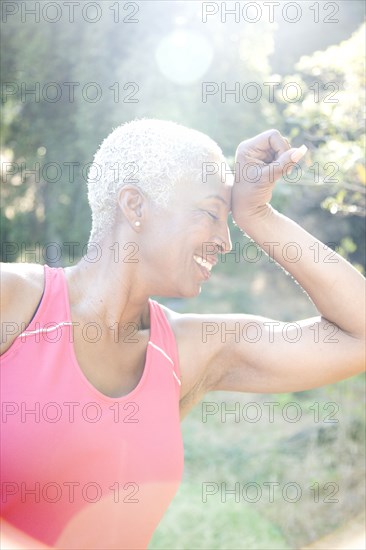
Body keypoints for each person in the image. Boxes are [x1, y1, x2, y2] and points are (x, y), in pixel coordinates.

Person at [1, 119, 365, 549]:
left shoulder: (186, 351)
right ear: (135, 206)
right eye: (212, 213)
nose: (225, 241)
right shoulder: (15, 301)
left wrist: (259, 215)